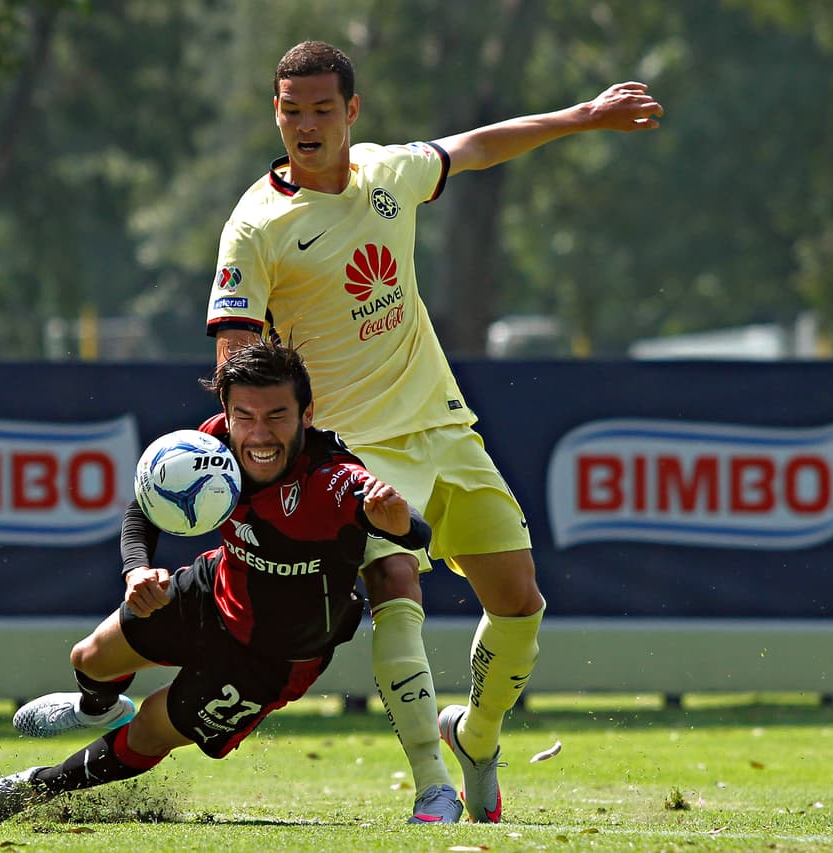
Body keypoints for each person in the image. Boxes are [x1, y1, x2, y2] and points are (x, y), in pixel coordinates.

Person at [205, 41, 663, 823]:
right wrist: (267, 451)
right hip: (356, 450)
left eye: (322, 109)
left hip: (445, 428)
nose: (306, 126)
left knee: (520, 602)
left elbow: (480, 145)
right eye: (291, 111)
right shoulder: (255, 227)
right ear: (275, 113)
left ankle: (475, 737)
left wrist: (584, 116)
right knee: (395, 587)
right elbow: (236, 358)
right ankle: (431, 786)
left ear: (352, 111)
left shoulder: (390, 172)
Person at [0, 339, 433, 825]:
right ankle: (97, 709)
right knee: (88, 658)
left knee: (149, 730)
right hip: (214, 590)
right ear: (227, 412)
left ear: (307, 414)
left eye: (277, 416)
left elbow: (413, 530)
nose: (259, 434)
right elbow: (143, 510)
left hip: (274, 657)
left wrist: (394, 520)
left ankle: (28, 791)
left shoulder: (335, 478)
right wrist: (137, 572)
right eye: (246, 416)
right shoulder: (210, 445)